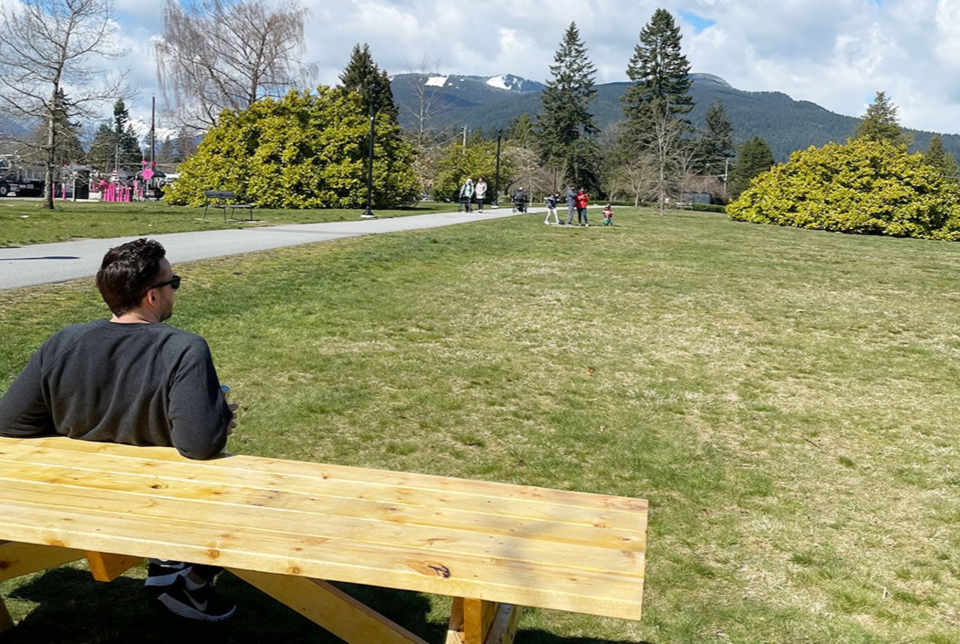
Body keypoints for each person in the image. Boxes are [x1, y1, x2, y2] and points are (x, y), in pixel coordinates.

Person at [0, 238, 238, 622]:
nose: (174, 289)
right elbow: (199, 446)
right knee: (242, 496)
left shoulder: (64, 341)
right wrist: (219, 418)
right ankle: (189, 579)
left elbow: (9, 423)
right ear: (152, 297)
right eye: (171, 282)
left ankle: (176, 571)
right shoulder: (183, 348)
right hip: (159, 505)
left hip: (69, 500)